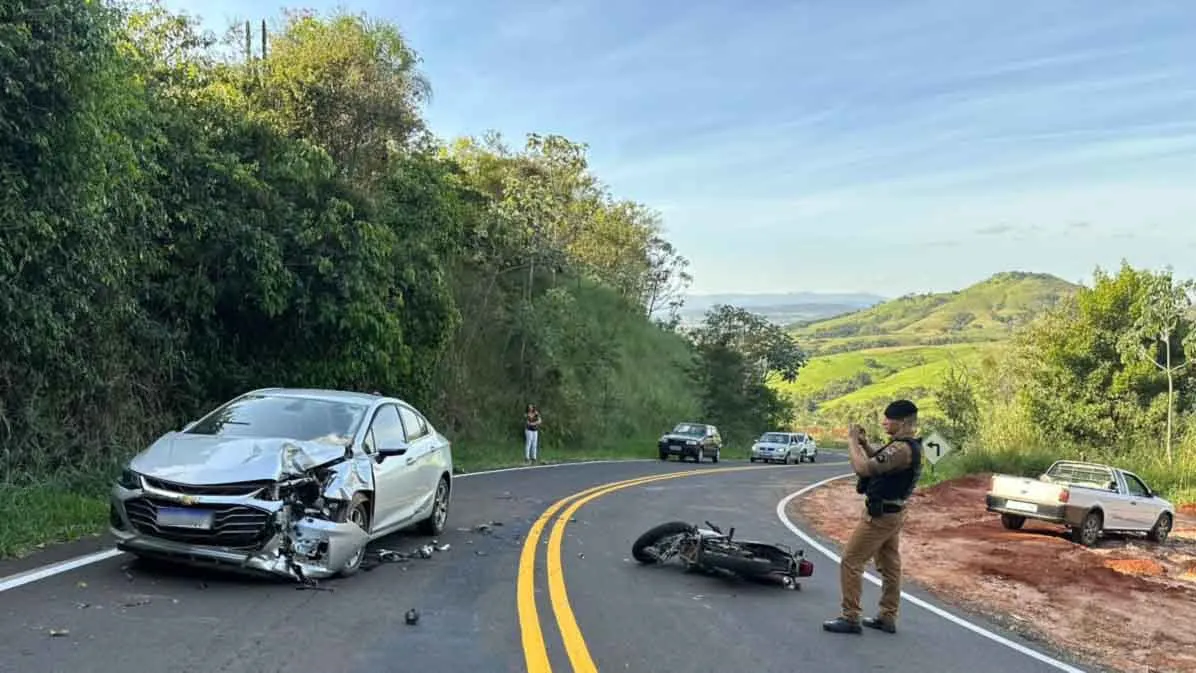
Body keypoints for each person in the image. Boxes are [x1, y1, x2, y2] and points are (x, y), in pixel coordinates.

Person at [823, 398, 923, 635]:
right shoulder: (905, 446)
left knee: (851, 561)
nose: (884, 422)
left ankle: (850, 616)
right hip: (893, 513)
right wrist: (866, 445)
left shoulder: (901, 449)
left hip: (879, 517)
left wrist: (852, 443)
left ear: (903, 422)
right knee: (890, 565)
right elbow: (879, 461)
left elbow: (863, 468)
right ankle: (887, 616)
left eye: (889, 419)